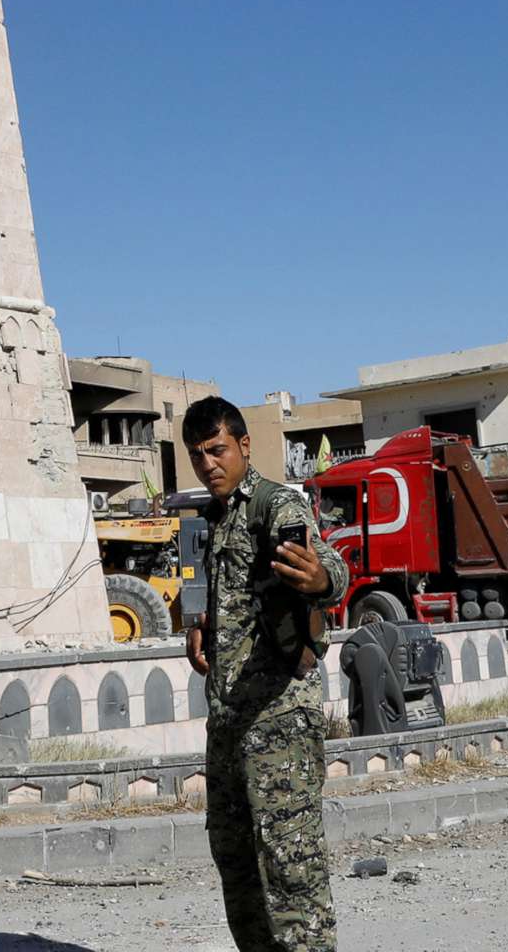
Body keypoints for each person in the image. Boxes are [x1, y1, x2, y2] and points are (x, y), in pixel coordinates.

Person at [182, 394, 348, 952]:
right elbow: (236, 600)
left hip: (278, 721)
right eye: (197, 454)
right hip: (229, 721)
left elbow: (328, 566)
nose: (208, 464)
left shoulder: (275, 504)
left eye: (218, 450)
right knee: (236, 864)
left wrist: (320, 579)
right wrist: (206, 625)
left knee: (291, 870)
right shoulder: (216, 515)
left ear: (244, 446)